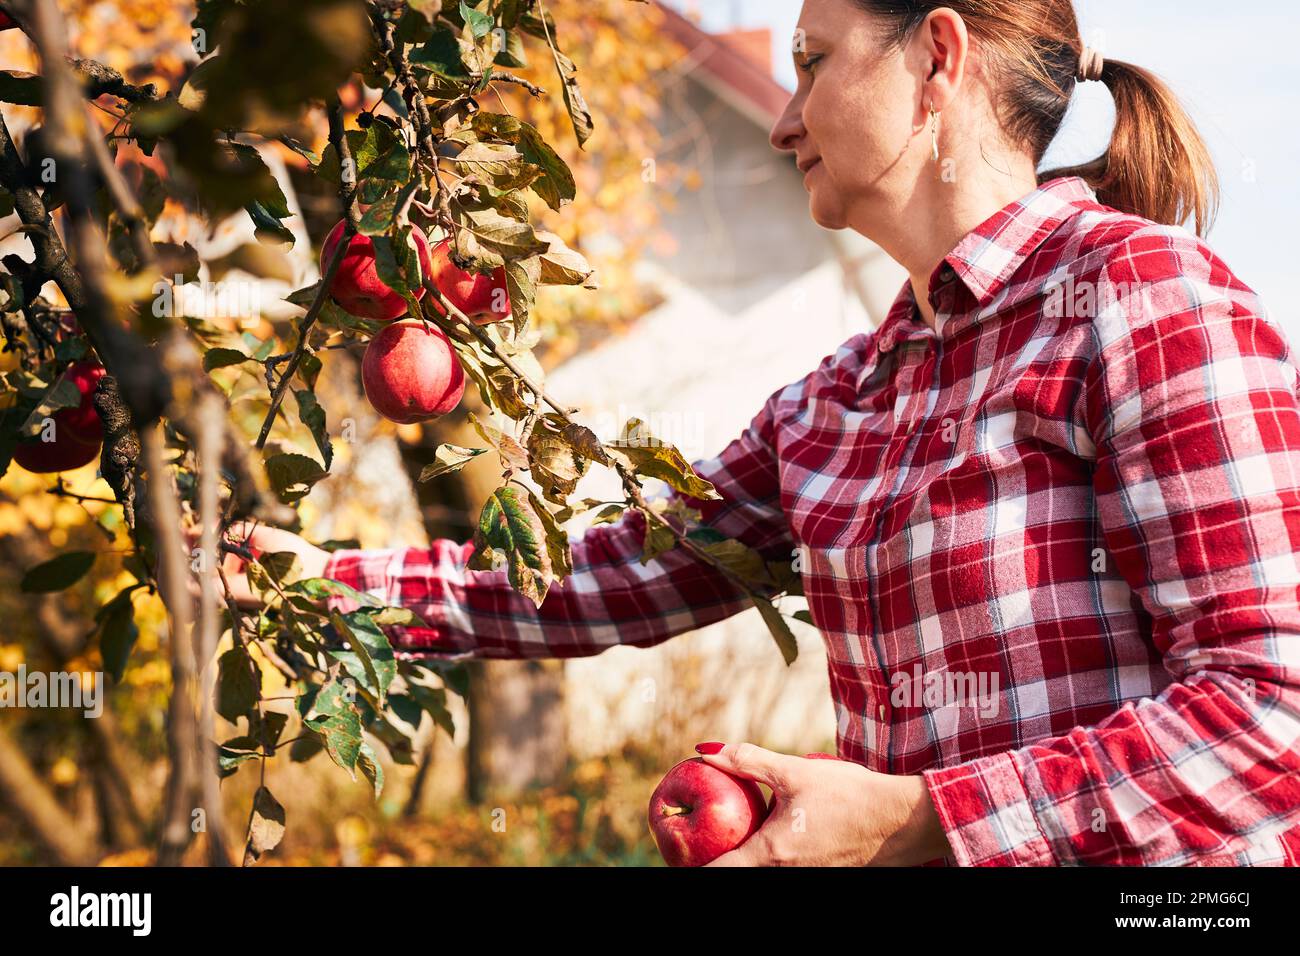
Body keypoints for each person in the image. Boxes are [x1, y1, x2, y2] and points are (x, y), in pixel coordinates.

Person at [217, 0, 1300, 866]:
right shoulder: (837, 404)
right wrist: (328, 579)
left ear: (936, 59)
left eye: (811, 61)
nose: (784, 120)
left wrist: (919, 819)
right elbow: (606, 574)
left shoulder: (1140, 298)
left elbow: (1270, 716)